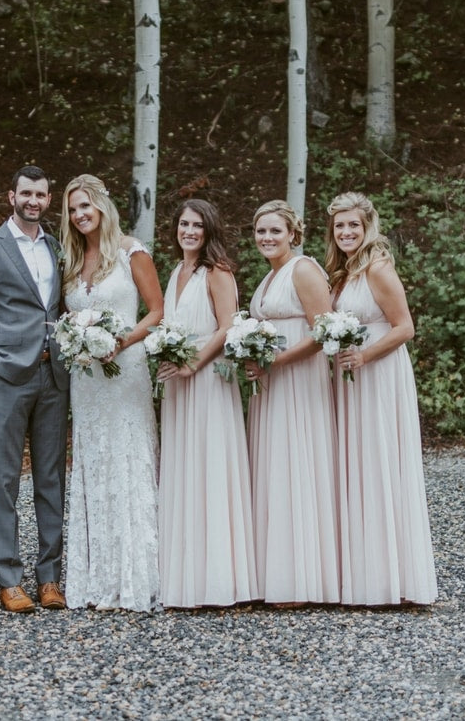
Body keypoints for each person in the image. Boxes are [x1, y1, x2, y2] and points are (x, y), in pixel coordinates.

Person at [0, 165, 70, 614]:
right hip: (7, 377)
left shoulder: (57, 247)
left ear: (48, 199)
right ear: (11, 196)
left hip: (53, 376)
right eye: (26, 193)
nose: (34, 201)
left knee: (51, 480)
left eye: (41, 195)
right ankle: (9, 578)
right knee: (4, 479)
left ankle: (49, 578)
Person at [326, 192, 437, 606]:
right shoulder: (342, 272)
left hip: (379, 371)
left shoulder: (377, 268)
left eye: (353, 224)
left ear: (368, 225)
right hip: (350, 373)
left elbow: (405, 327)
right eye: (339, 225)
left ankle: (393, 578)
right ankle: (362, 572)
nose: (346, 232)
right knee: (356, 464)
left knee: (379, 461)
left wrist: (365, 355)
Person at [60, 174, 163, 612]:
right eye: (72, 209)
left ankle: (138, 577)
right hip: (85, 380)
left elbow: (157, 311)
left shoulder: (130, 251)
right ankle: (98, 578)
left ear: (102, 206)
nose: (80, 214)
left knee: (126, 459)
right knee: (95, 460)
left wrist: (120, 341)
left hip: (125, 371)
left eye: (86, 206)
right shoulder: (71, 257)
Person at [156, 199, 257, 608]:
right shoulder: (176, 271)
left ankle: (220, 579)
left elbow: (228, 327)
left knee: (211, 467)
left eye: (198, 225)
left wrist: (193, 364)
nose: (190, 231)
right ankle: (185, 577)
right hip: (178, 383)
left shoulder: (218, 271)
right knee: (184, 469)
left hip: (209, 380)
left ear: (209, 230)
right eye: (184, 224)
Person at [245, 199, 340, 606]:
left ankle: (304, 579)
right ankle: (276, 575)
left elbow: (324, 334)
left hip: (299, 381)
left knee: (297, 465)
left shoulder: (303, 269)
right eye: (261, 231)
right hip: (271, 385)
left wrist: (274, 361)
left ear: (293, 235)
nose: (267, 238)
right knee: (274, 468)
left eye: (275, 231)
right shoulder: (268, 278)